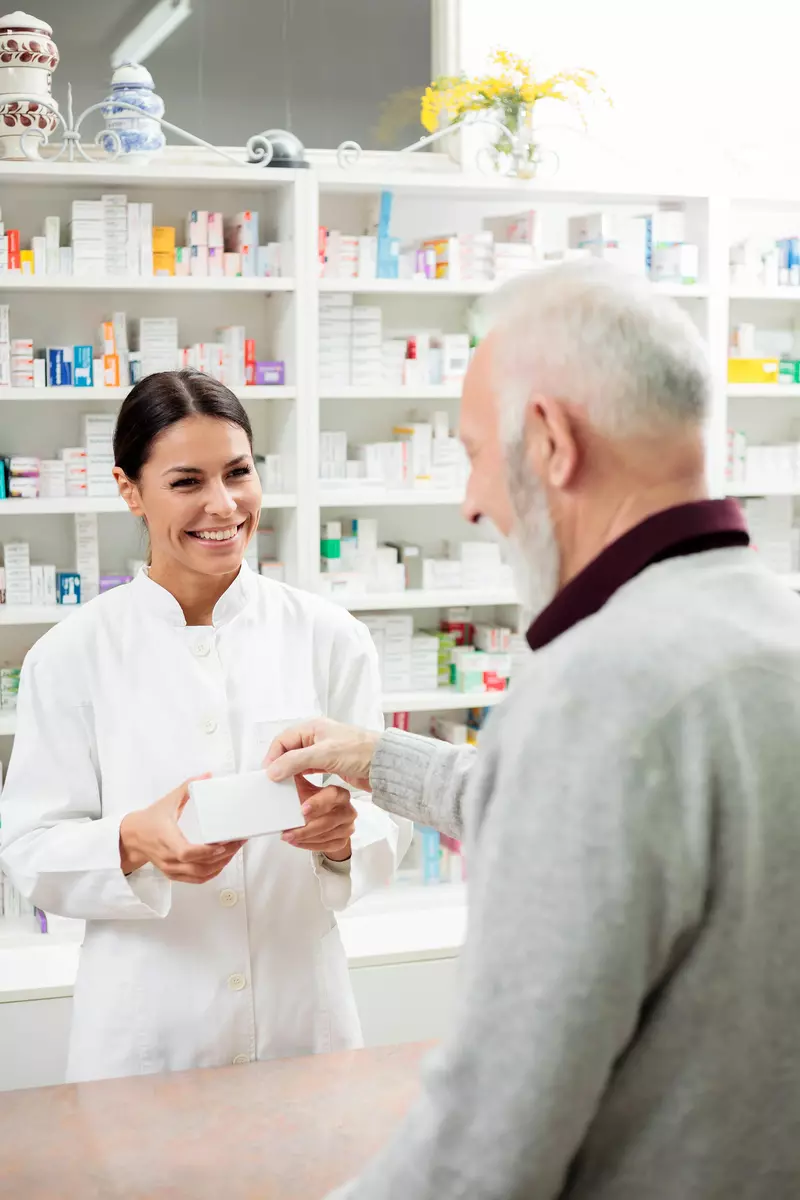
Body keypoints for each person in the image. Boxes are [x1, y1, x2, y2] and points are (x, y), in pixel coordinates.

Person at [267, 262, 800, 1199]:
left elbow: (483, 1147)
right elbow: (622, 823)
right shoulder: (770, 630)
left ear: (550, 440)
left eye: (475, 452)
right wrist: (371, 754)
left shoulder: (596, 691)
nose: (472, 501)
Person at [0, 369, 411, 1084]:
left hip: (301, 1021)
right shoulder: (69, 656)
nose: (223, 505)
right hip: (147, 1035)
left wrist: (345, 836)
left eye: (239, 473)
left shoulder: (330, 637)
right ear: (129, 489)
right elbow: (28, 850)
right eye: (186, 481)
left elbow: (388, 816)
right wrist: (133, 840)